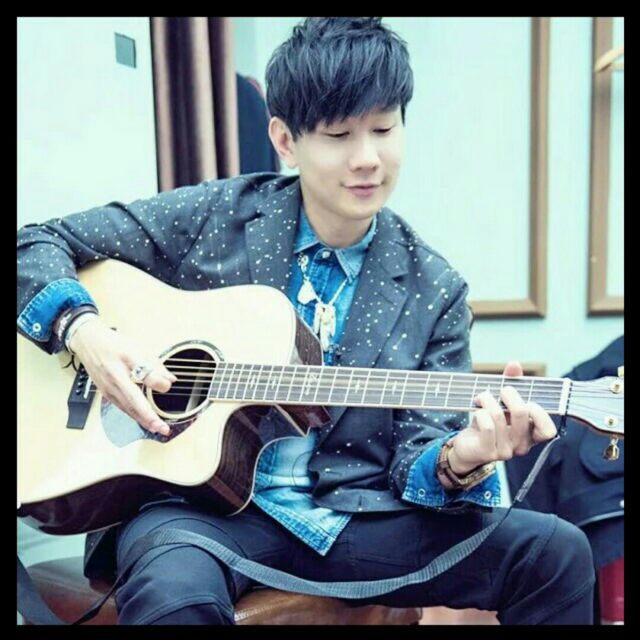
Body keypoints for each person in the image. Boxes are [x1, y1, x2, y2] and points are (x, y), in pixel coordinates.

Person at [17, 17, 595, 625]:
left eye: (384, 129)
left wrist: (464, 456)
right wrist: (86, 333)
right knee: (173, 590)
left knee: (554, 553)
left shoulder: (435, 287)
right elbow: (35, 243)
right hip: (203, 515)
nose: (367, 159)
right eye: (339, 135)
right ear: (286, 141)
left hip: (360, 515)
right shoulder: (216, 217)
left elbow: (418, 460)